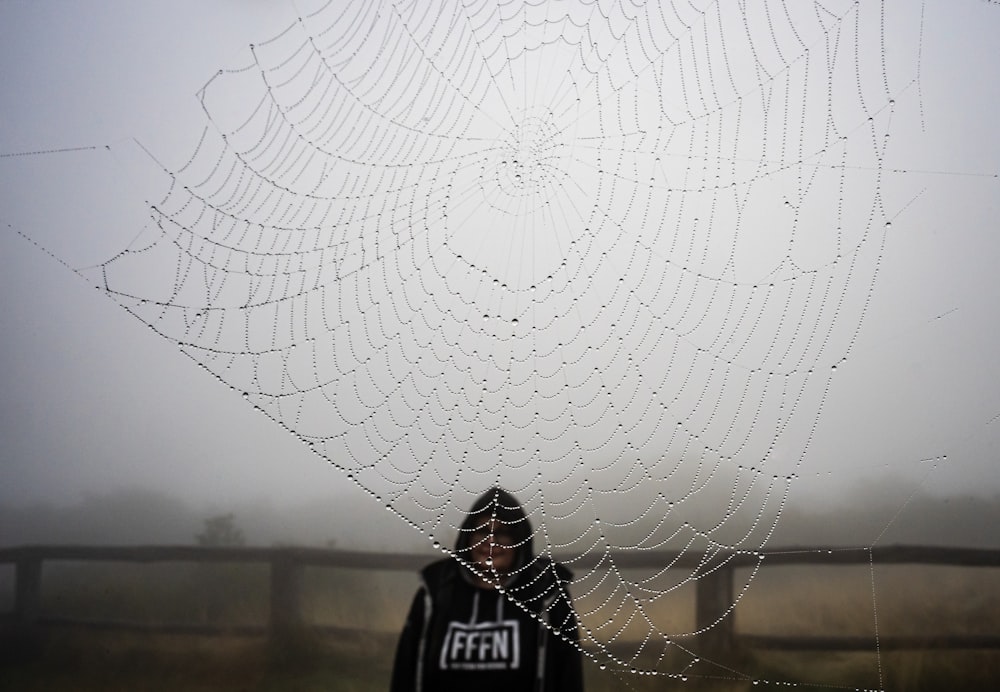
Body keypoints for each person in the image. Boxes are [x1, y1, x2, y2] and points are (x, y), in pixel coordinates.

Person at [390, 487, 584, 692]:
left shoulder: (547, 593)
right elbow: (406, 670)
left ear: (520, 540)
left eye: (503, 533)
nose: (490, 541)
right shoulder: (436, 591)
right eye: (481, 531)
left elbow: (569, 675)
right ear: (467, 537)